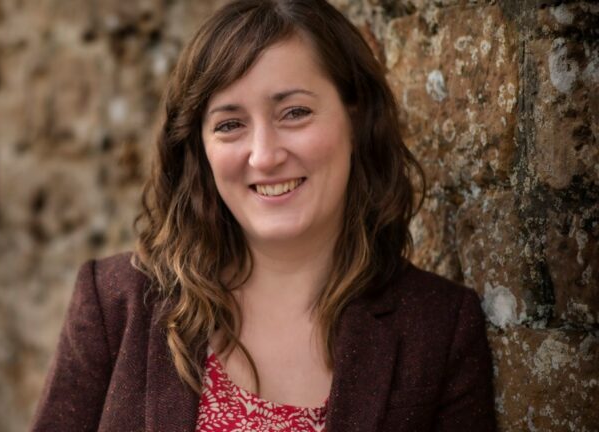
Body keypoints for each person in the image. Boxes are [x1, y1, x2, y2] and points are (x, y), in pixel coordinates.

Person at [30, 0, 497, 430]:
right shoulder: (115, 303)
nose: (264, 155)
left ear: (355, 119)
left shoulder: (438, 330)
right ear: (201, 150)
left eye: (294, 112)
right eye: (230, 124)